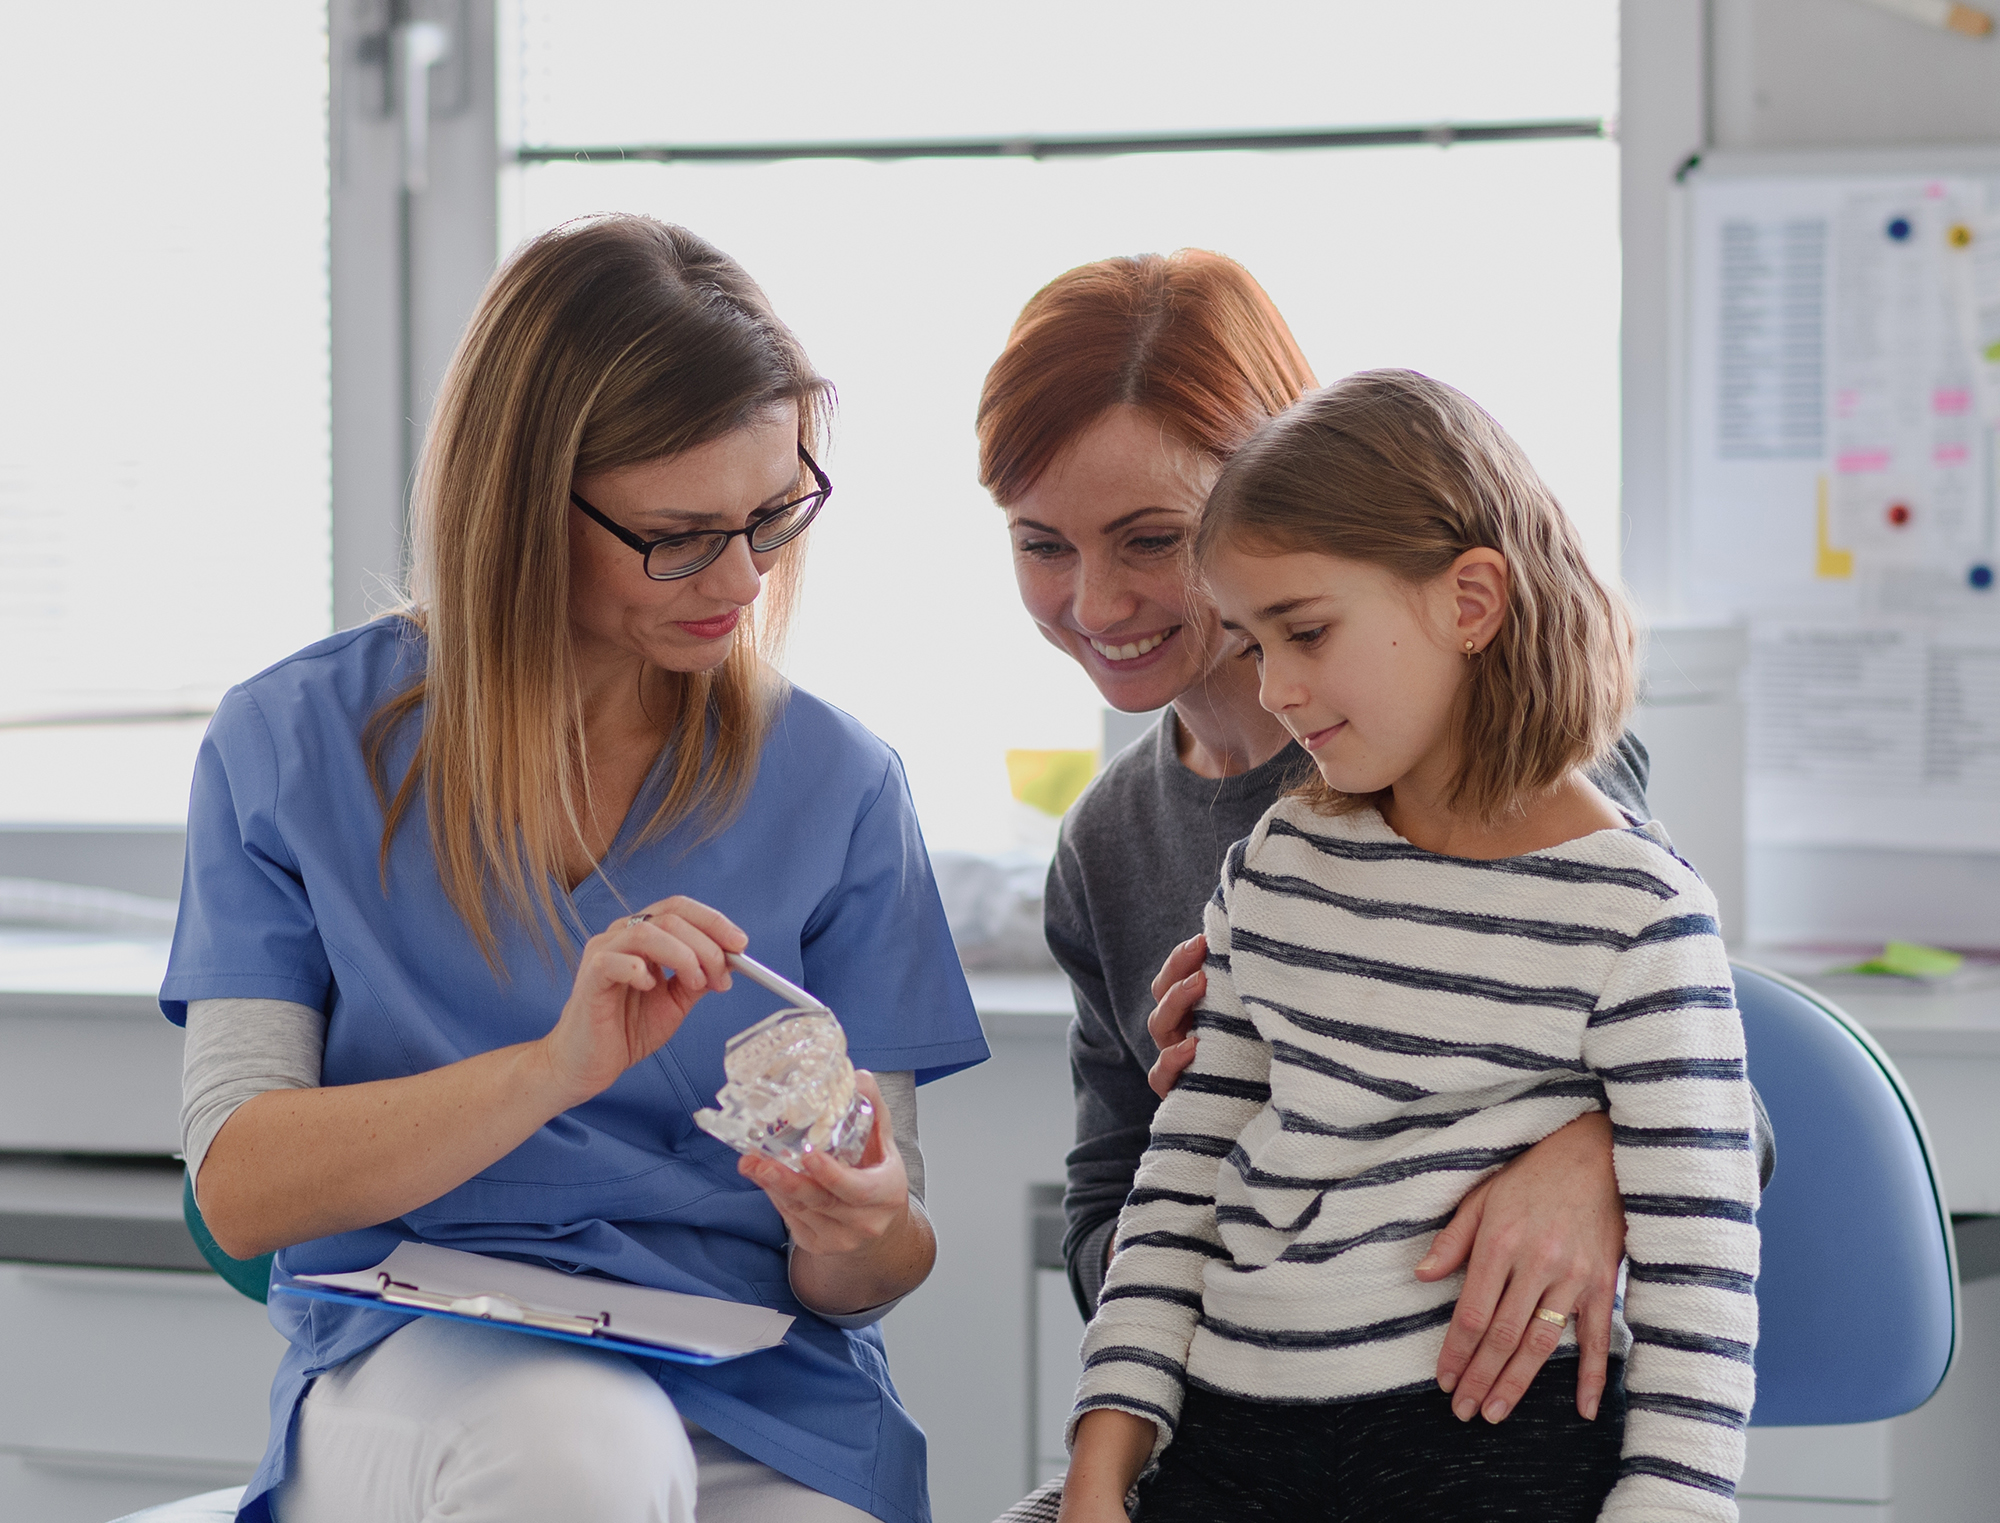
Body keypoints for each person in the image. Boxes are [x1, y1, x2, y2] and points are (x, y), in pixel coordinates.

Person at [162, 214, 987, 1523]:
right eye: (678, 532)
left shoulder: (838, 782)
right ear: (523, 504)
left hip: (759, 1383)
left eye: (772, 514)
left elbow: (874, 1268)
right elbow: (242, 1180)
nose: (742, 578)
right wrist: (554, 1068)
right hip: (428, 1365)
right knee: (579, 1444)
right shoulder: (295, 743)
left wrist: (857, 1221)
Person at [1061, 369, 1760, 1522]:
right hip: (1232, 1421)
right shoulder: (1278, 865)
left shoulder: (1634, 910)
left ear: (1470, 600)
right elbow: (1172, 1188)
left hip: (1489, 1443)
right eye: (1248, 641)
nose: (1275, 688)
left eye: (1306, 631)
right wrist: (1095, 1470)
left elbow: (1700, 1301)